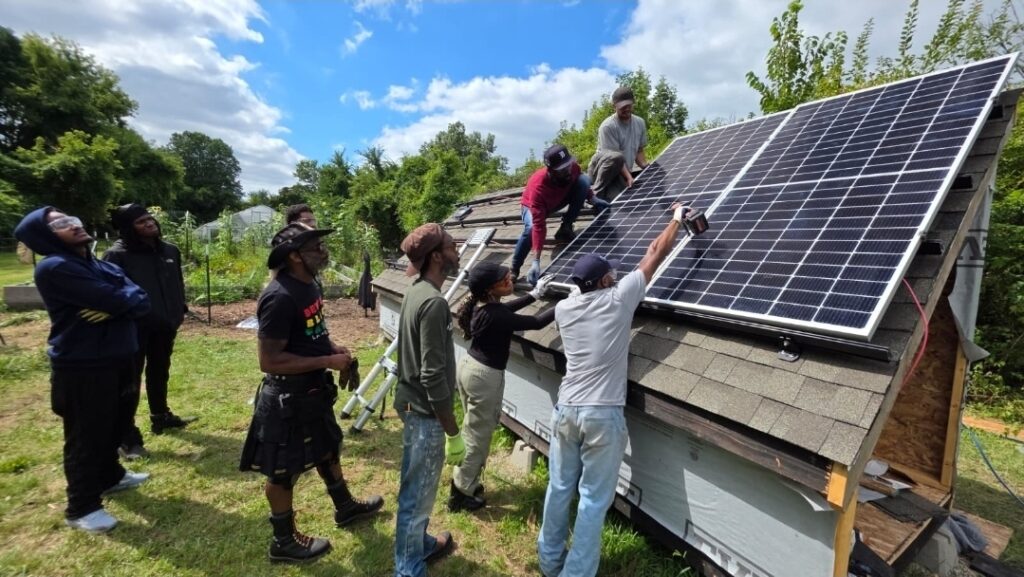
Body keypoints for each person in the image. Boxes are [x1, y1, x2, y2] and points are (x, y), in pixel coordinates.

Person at [537, 203, 689, 577]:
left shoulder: (565, 309)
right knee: (591, 500)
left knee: (559, 487)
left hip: (566, 409)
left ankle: (548, 561)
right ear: (605, 281)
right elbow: (655, 252)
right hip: (601, 415)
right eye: (612, 274)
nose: (616, 276)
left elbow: (578, 294)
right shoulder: (619, 299)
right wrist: (676, 218)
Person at [239, 222, 384, 564]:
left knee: (327, 449)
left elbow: (313, 331)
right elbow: (269, 360)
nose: (323, 251)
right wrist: (328, 361)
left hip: (313, 391)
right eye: (316, 247)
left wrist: (333, 348)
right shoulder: (279, 297)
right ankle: (283, 541)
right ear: (294, 256)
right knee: (282, 472)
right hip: (286, 398)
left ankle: (345, 507)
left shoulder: (309, 286)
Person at [14, 207, 152, 534]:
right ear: (44, 236)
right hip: (84, 365)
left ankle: (111, 476)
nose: (74, 225)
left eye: (72, 219)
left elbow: (141, 299)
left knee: (115, 424)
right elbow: (121, 300)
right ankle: (82, 506)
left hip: (119, 356)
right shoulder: (55, 267)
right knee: (86, 435)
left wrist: (117, 305)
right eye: (61, 224)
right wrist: (120, 304)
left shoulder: (99, 265)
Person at [448, 263, 556, 512]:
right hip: (484, 377)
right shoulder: (496, 314)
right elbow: (536, 322)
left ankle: (465, 481)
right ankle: (461, 493)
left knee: (472, 430)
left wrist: (534, 295)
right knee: (477, 437)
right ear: (490, 289)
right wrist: (567, 304)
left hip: (469, 368)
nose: (511, 280)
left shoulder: (484, 307)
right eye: (504, 279)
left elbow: (507, 309)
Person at [394, 223, 465, 577]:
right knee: (418, 493)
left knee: (417, 484)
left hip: (411, 404)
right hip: (425, 413)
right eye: (452, 246)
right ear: (436, 256)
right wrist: (452, 431)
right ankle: (408, 568)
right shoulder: (434, 303)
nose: (457, 250)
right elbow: (432, 375)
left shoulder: (416, 290)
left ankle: (418, 543)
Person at [103, 204, 193, 461]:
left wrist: (179, 310)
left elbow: (177, 283)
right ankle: (126, 437)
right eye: (140, 222)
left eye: (149, 218)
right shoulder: (116, 255)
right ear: (127, 229)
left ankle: (160, 416)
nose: (149, 223)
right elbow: (111, 294)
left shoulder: (170, 251)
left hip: (165, 325)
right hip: (134, 329)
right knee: (129, 382)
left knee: (159, 371)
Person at [511, 144, 610, 286]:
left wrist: (593, 198)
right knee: (531, 228)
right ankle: (514, 268)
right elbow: (539, 227)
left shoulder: (573, 168)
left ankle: (566, 227)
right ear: (551, 171)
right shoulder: (538, 187)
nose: (568, 169)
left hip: (558, 199)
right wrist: (536, 260)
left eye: (568, 165)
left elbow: (581, 183)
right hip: (533, 206)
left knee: (584, 180)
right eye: (562, 169)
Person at [587, 86, 649, 202]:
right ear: (614, 106)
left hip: (622, 172)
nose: (626, 109)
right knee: (616, 203)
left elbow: (639, 150)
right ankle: (594, 195)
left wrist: (647, 167)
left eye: (628, 105)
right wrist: (629, 177)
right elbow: (615, 159)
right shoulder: (608, 127)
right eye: (622, 107)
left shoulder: (640, 123)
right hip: (605, 174)